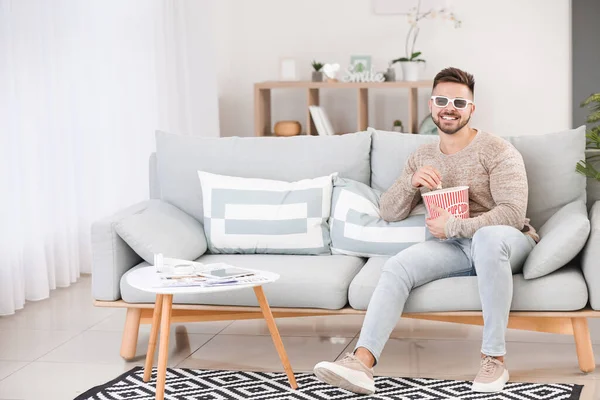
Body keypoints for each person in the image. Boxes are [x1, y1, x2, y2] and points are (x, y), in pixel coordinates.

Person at [313, 67, 539, 394]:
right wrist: (411, 182)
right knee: (397, 266)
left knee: (488, 239)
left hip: (505, 241)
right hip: (453, 245)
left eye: (459, 102)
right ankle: (361, 363)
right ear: (431, 106)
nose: (450, 107)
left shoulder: (497, 150)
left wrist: (454, 225)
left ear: (471, 110)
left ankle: (494, 360)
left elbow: (513, 214)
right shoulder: (422, 155)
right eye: (442, 100)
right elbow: (389, 211)